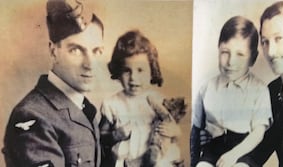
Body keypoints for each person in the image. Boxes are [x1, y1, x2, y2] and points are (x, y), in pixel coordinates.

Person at [2, 0, 104, 167]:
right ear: (53, 51)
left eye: (96, 51)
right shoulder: (34, 116)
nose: (90, 64)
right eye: (76, 50)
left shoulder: (83, 107)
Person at [190, 16, 273, 167]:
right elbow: (196, 129)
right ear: (218, 49)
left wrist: (234, 154)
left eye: (240, 55)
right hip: (214, 148)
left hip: (244, 150)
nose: (230, 61)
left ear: (252, 58)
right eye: (225, 52)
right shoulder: (207, 88)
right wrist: (194, 160)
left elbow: (258, 133)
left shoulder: (259, 90)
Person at [99, 30, 183, 167]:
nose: (133, 78)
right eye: (127, 70)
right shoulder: (112, 104)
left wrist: (174, 131)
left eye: (140, 70)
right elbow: (102, 138)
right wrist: (116, 135)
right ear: (118, 72)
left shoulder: (158, 101)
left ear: (151, 71)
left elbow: (175, 134)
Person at [237, 1, 283, 167]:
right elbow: (258, 150)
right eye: (265, 41)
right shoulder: (273, 91)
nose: (270, 52)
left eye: (278, 39)